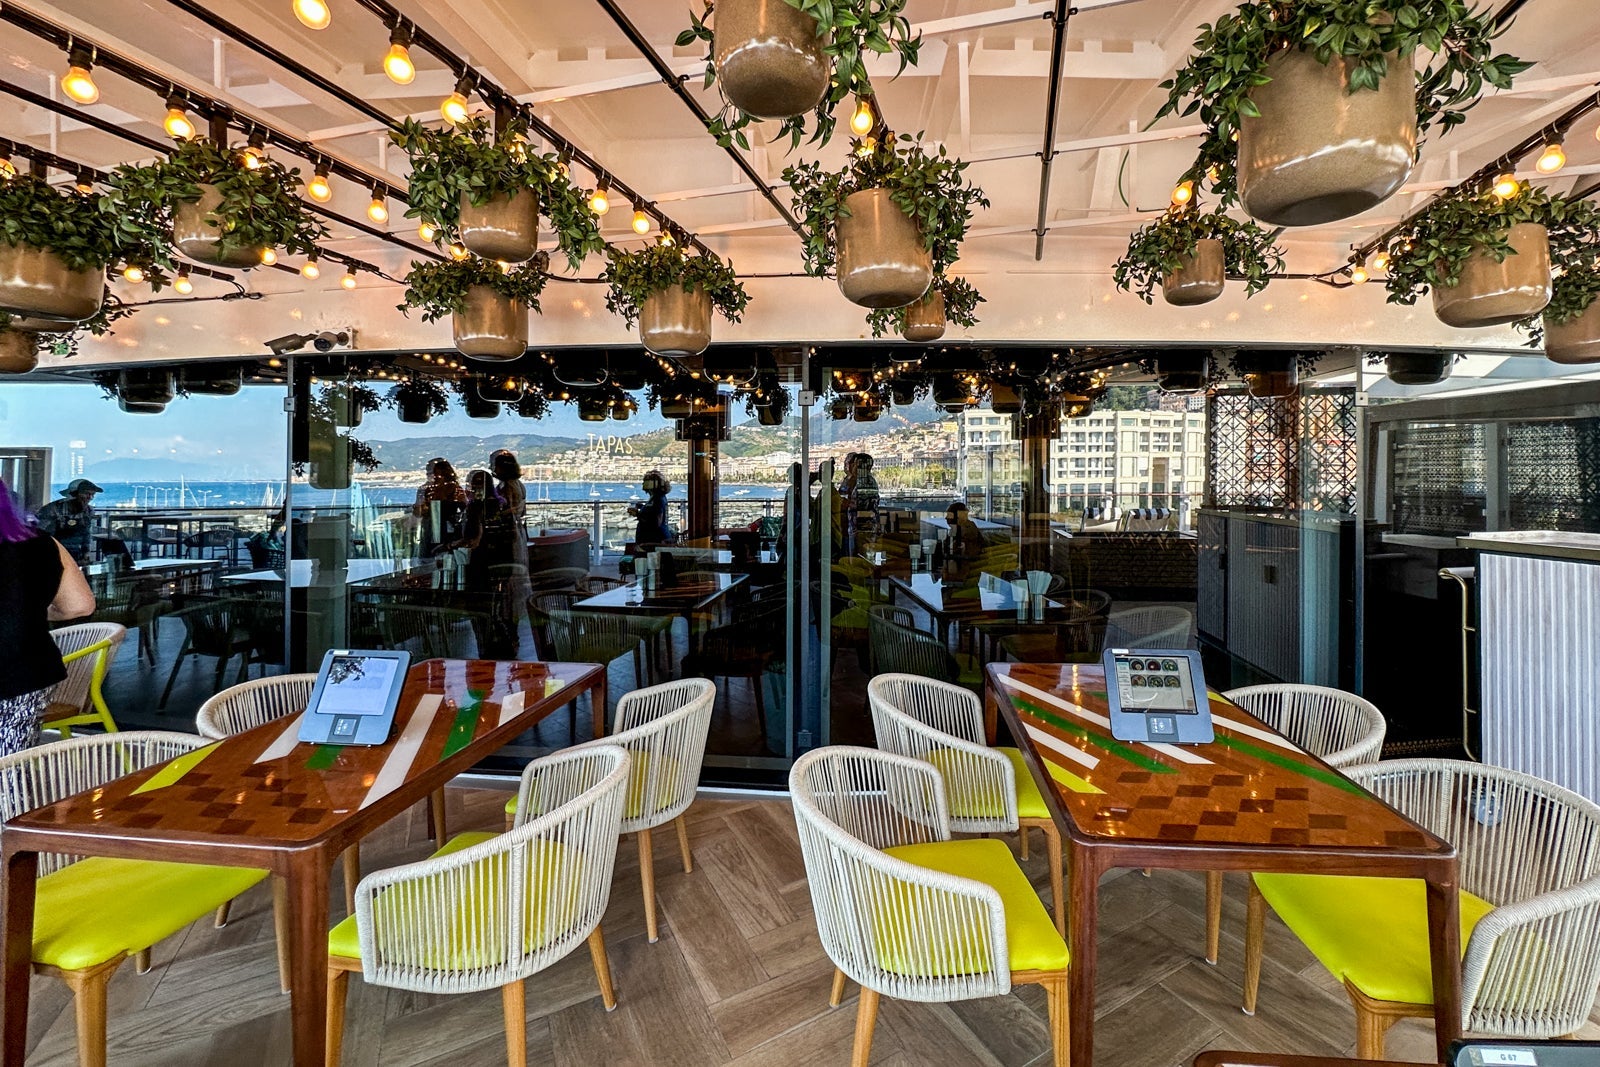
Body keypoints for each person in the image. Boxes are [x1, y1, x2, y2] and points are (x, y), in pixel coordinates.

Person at [0, 479, 96, 755]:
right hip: (23, 671)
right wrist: (26, 611)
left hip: (20, 671)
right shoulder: (42, 543)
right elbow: (80, 605)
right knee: (11, 767)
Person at [454, 470, 520, 657]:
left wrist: (451, 545)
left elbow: (473, 539)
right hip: (503, 561)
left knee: (480, 609)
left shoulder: (476, 507)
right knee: (498, 607)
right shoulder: (501, 505)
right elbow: (512, 535)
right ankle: (505, 647)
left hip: (482, 563)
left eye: (475, 484)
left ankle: (486, 650)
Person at [34, 478, 102, 564]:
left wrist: (86, 552)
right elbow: (41, 534)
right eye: (86, 494)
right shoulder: (53, 509)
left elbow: (87, 533)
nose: (90, 498)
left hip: (77, 555)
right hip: (54, 554)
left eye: (92, 494)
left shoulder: (88, 511)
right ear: (73, 494)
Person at [414, 458, 466, 559]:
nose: (432, 476)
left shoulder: (456, 490)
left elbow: (464, 510)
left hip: (449, 534)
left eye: (435, 474)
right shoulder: (427, 491)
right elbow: (418, 512)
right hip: (431, 531)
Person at [628, 470, 673, 547]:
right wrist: (641, 507)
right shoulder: (656, 498)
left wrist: (638, 514)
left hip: (654, 541)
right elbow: (653, 512)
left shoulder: (657, 499)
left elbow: (656, 522)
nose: (643, 484)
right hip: (655, 539)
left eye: (645, 482)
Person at [944, 500, 987, 578]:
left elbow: (955, 550)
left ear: (958, 516)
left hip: (965, 572)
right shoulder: (957, 528)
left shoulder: (966, 530)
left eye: (949, 515)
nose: (946, 518)